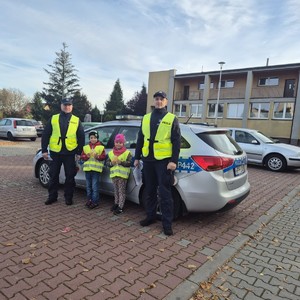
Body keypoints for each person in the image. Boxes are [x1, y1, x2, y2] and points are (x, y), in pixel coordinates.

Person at [134, 91, 181, 236]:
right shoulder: (146, 118)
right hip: (148, 160)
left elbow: (176, 141)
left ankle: (167, 224)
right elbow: (140, 139)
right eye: (157, 99)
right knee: (149, 191)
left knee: (165, 194)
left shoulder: (171, 118)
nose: (159, 101)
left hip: (163, 162)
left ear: (166, 101)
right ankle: (150, 216)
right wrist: (137, 157)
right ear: (154, 101)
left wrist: (173, 161)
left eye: (161, 99)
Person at [41, 98, 85, 205]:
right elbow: (46, 134)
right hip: (55, 152)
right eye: (65, 105)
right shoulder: (53, 118)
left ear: (72, 106)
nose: (67, 107)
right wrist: (44, 150)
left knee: (70, 176)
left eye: (69, 105)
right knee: (53, 175)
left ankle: (68, 197)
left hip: (70, 153)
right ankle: (52, 196)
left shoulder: (76, 120)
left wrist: (79, 152)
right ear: (61, 106)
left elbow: (81, 137)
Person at [107, 134, 132, 215]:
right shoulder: (111, 153)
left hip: (122, 176)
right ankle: (116, 203)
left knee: (121, 191)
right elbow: (107, 163)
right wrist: (111, 163)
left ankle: (120, 207)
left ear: (123, 143)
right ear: (114, 143)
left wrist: (121, 162)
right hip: (114, 175)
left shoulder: (127, 152)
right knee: (116, 190)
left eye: (120, 143)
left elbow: (129, 163)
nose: (118, 144)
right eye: (117, 142)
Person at [80, 130, 106, 209]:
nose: (93, 139)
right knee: (88, 186)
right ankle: (89, 200)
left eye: (95, 137)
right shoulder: (86, 147)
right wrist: (87, 156)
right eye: (91, 138)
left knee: (95, 186)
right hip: (87, 170)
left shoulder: (101, 147)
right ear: (89, 139)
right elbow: (82, 157)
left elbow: (103, 157)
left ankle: (95, 201)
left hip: (96, 170)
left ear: (97, 138)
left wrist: (97, 156)